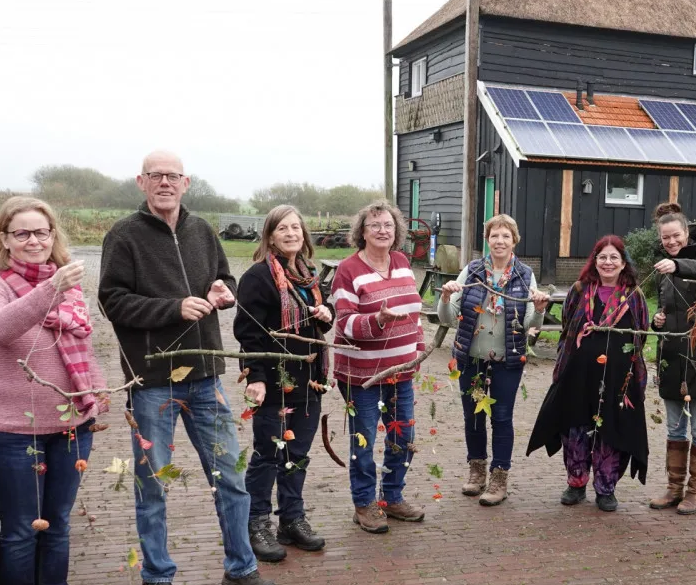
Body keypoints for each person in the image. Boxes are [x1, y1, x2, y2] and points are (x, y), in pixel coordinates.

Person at [99, 150, 276, 585]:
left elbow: (224, 280)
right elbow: (112, 302)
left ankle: (241, 567)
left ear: (186, 182)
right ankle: (157, 576)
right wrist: (172, 308)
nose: (164, 182)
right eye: (155, 175)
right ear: (141, 181)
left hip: (206, 377)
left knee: (231, 477)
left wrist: (223, 292)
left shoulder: (202, 231)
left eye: (172, 176)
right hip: (152, 380)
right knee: (153, 482)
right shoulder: (124, 236)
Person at [0, 197, 105, 585]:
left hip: (69, 425)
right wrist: (49, 291)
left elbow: (83, 342)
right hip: (7, 430)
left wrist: (97, 398)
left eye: (42, 233)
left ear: (54, 236)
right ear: (3, 238)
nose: (34, 242)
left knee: (59, 523)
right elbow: (0, 330)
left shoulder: (66, 286)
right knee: (23, 528)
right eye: (22, 233)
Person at [234, 205, 334, 562]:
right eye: (283, 229)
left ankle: (291, 519)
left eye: (296, 228)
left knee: (298, 454)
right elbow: (248, 333)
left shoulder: (308, 275)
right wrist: (257, 378)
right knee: (267, 455)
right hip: (274, 383)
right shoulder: (258, 278)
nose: (292, 234)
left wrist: (327, 313)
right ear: (270, 235)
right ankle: (256, 522)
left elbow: (325, 315)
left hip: (310, 381)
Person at [527, 235, 650, 512]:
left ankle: (606, 488)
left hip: (618, 380)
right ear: (595, 261)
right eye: (603, 257)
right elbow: (567, 325)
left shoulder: (634, 295)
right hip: (578, 378)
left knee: (610, 432)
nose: (608, 263)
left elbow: (642, 334)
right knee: (576, 428)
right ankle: (576, 482)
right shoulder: (580, 289)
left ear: (623, 263)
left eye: (613, 258)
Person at [438, 214, 548, 506]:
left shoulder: (524, 275)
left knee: (501, 418)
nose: (500, 241)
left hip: (506, 361)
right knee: (472, 417)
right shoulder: (472, 271)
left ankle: (499, 477)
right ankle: (476, 472)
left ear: (514, 241)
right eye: (494, 235)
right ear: (487, 240)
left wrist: (538, 310)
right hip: (471, 361)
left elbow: (528, 323)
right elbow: (447, 319)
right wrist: (446, 298)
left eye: (506, 236)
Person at [331, 199, 425, 533]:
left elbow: (414, 310)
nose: (382, 231)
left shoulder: (401, 261)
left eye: (388, 225)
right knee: (364, 441)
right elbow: (345, 323)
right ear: (362, 232)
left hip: (401, 373)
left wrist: (418, 350)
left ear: (396, 230)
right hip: (363, 377)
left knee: (403, 436)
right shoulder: (348, 270)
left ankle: (392, 497)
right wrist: (378, 320)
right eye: (375, 226)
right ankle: (364, 504)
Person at [646, 202, 696, 515]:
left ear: (687, 234)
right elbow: (666, 308)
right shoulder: (665, 267)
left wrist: (676, 266)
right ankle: (674, 488)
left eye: (675, 236)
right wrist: (657, 321)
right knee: (675, 429)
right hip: (672, 357)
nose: (671, 242)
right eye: (665, 238)